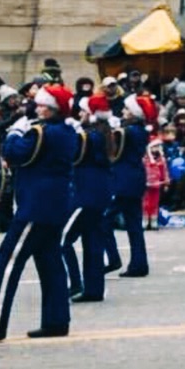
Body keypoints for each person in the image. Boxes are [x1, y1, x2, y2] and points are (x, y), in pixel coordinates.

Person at [0, 83, 76, 342]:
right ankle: (56, 320)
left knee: (6, 263)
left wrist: (14, 134)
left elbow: (15, 154)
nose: (37, 108)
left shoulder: (41, 132)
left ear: (53, 109)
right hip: (56, 202)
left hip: (36, 205)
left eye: (43, 105)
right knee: (50, 261)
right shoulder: (66, 130)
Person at [63, 95, 117, 304]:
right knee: (92, 240)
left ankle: (75, 283)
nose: (79, 114)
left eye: (83, 111)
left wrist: (68, 128)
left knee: (62, 240)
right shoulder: (103, 133)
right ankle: (94, 288)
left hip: (86, 193)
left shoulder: (88, 136)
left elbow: (71, 153)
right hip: (100, 192)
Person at [113, 94, 154, 276]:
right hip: (135, 177)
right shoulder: (140, 131)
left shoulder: (127, 131)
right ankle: (139, 263)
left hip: (124, 179)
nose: (123, 111)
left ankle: (112, 258)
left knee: (104, 221)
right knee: (134, 225)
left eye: (126, 109)